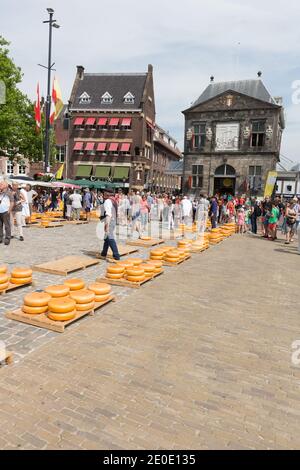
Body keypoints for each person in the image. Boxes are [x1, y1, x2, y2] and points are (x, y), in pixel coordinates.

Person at [100, 189, 120, 261]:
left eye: (104, 193)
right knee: (107, 238)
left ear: (106, 193)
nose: (103, 195)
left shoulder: (108, 201)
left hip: (110, 220)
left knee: (110, 237)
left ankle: (116, 255)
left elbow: (108, 214)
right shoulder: (114, 200)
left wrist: (107, 225)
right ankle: (104, 252)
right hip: (114, 220)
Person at [0, 180, 13, 245]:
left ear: (5, 186)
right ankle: (0, 238)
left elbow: (12, 202)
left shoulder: (9, 192)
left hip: (5, 211)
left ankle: (7, 239)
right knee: (0, 226)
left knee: (7, 226)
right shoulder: (0, 192)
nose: (0, 185)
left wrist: (9, 210)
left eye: (1, 184)